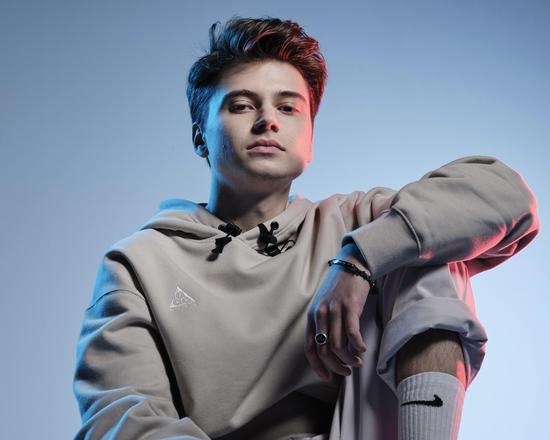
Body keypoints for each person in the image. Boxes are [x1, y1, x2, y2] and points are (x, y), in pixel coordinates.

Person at [72, 16, 540, 440]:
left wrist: (359, 257)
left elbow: (505, 195)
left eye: (289, 108)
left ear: (310, 137)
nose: (267, 121)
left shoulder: (356, 220)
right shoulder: (139, 263)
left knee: (422, 240)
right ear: (200, 136)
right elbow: (122, 417)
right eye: (241, 106)